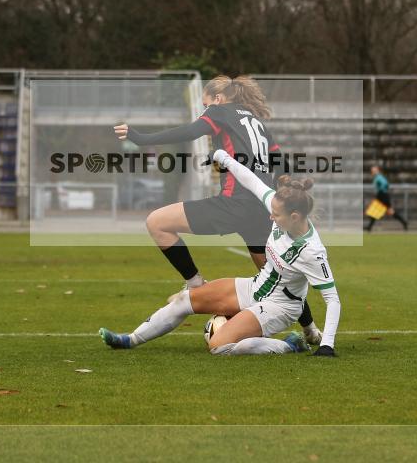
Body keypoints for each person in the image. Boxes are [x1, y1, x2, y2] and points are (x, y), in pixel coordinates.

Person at [114, 75, 323, 344]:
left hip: (233, 204)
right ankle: (310, 330)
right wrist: (282, 191)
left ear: (218, 98)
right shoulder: (256, 122)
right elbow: (280, 164)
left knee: (156, 222)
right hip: (262, 209)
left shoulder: (219, 111)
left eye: (206, 105)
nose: (205, 110)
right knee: (277, 274)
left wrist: (141, 139)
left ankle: (194, 283)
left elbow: (190, 132)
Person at [99, 149, 340, 356]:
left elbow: (332, 300)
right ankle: (129, 340)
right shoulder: (281, 207)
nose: (271, 217)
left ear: (295, 217)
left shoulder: (312, 251)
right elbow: (251, 181)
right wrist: (225, 158)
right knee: (186, 299)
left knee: (218, 345)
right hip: (255, 287)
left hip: (280, 307)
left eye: (276, 215)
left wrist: (327, 345)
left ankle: (290, 345)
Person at [364, 165, 408, 232]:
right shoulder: (377, 177)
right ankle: (369, 227)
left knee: (389, 211)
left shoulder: (379, 177)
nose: (373, 172)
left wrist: (382, 189)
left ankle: (404, 222)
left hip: (383, 196)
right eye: (372, 171)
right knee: (375, 211)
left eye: (374, 170)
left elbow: (386, 184)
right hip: (381, 196)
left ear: (378, 171)